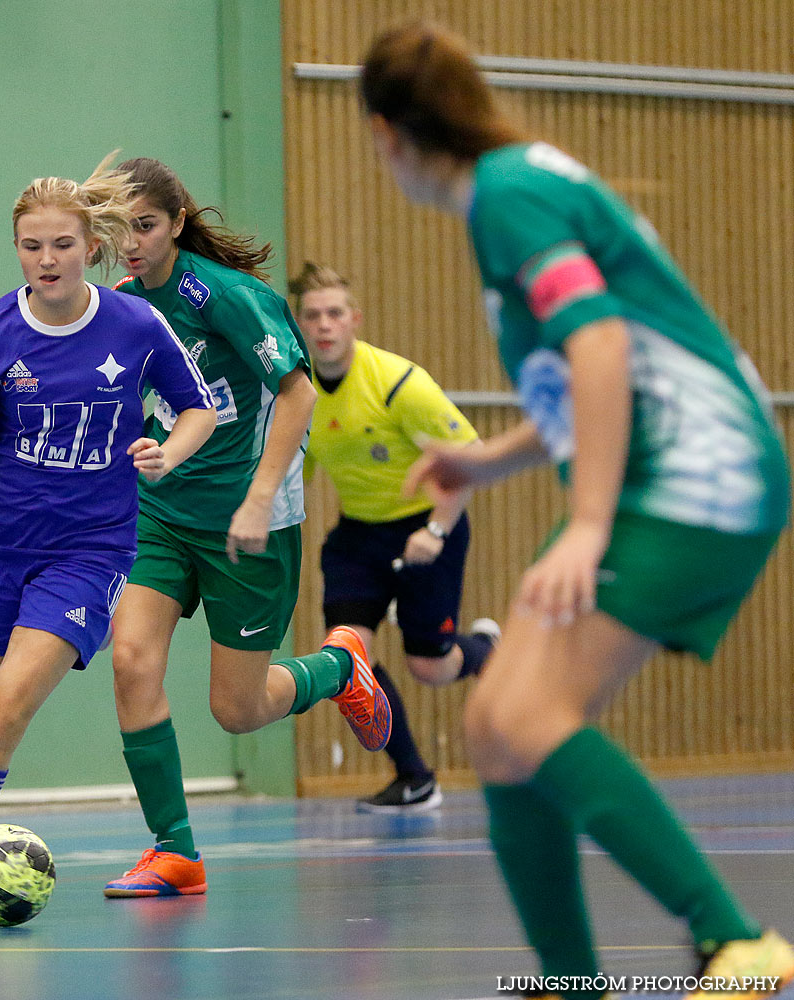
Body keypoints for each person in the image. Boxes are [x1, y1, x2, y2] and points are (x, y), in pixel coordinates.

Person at [360, 20, 793, 999]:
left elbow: (596, 340)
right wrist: (487, 459)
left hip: (696, 479)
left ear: (388, 135)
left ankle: (736, 940)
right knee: (499, 725)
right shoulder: (521, 184)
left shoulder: (507, 196)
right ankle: (573, 981)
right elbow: (594, 373)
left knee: (528, 713)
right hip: (667, 470)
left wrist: (588, 523)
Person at [0, 156, 219, 923]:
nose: (46, 260)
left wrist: (168, 452)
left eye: (60, 244)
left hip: (90, 553)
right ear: (17, 249)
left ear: (91, 246)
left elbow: (199, 410)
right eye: (30, 246)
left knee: (8, 708)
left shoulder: (135, 324)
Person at [100, 157, 390, 900]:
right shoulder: (124, 305)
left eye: (147, 225)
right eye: (121, 228)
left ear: (176, 222)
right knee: (131, 660)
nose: (132, 242)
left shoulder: (225, 295)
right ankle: (175, 851)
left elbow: (296, 395)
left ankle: (336, 667)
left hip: (245, 518)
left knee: (237, 709)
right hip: (162, 514)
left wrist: (260, 497)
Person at [291, 260, 499, 814]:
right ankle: (414, 777)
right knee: (348, 652)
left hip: (427, 527)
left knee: (429, 665)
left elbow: (473, 458)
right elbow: (293, 475)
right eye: (312, 316)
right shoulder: (299, 394)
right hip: (359, 537)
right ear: (300, 325)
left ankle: (484, 650)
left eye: (334, 313)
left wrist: (435, 529)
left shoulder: (397, 382)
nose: (324, 325)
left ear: (354, 318)